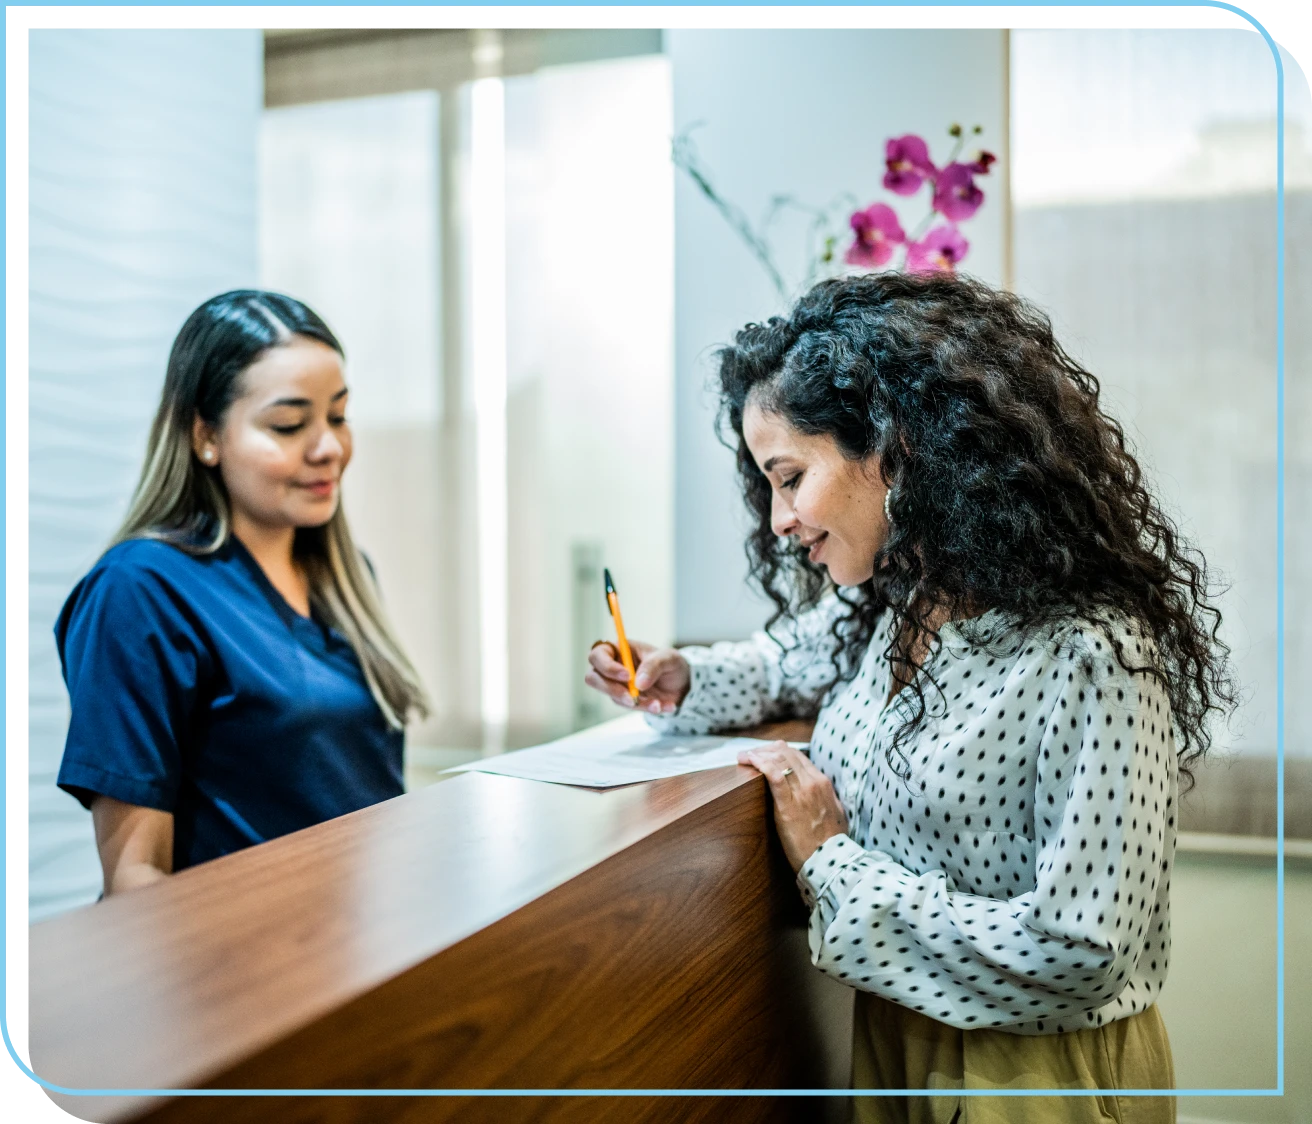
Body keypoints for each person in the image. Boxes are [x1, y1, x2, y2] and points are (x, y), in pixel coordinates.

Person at [586, 272, 1235, 1122]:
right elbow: (786, 662)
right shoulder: (899, 602)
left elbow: (1085, 953)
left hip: (1034, 1077)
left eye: (790, 477)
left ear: (894, 450)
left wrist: (833, 866)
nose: (779, 520)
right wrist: (683, 676)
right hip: (898, 1043)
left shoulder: (1092, 651)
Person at [56, 290, 430, 896]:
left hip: (367, 946)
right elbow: (135, 879)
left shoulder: (348, 577)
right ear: (205, 435)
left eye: (338, 416)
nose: (329, 447)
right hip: (243, 973)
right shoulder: (140, 591)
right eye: (289, 425)